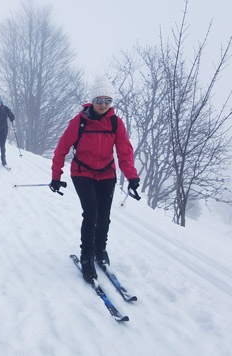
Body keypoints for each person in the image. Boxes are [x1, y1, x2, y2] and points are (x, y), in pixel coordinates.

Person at [49, 76, 140, 282]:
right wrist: (56, 177)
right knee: (91, 213)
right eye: (99, 100)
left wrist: (132, 176)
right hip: (82, 172)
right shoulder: (79, 122)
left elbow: (125, 152)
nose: (103, 105)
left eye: (108, 101)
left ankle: (100, 250)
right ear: (92, 100)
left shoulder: (116, 123)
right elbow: (61, 150)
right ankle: (86, 256)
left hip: (106, 173)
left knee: (104, 216)